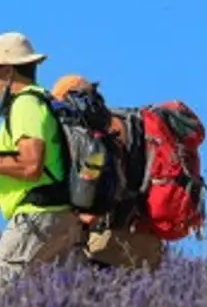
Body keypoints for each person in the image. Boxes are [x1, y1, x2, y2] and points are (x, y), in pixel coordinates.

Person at [0, 33, 84, 284]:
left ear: (8, 71)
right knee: (55, 301)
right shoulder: (41, 102)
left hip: (37, 220)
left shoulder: (26, 105)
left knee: (0, 292)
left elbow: (31, 166)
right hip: (58, 217)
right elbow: (45, 174)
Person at [50, 73, 166, 273]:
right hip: (146, 244)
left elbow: (95, 194)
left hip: (107, 246)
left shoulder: (92, 139)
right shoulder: (131, 126)